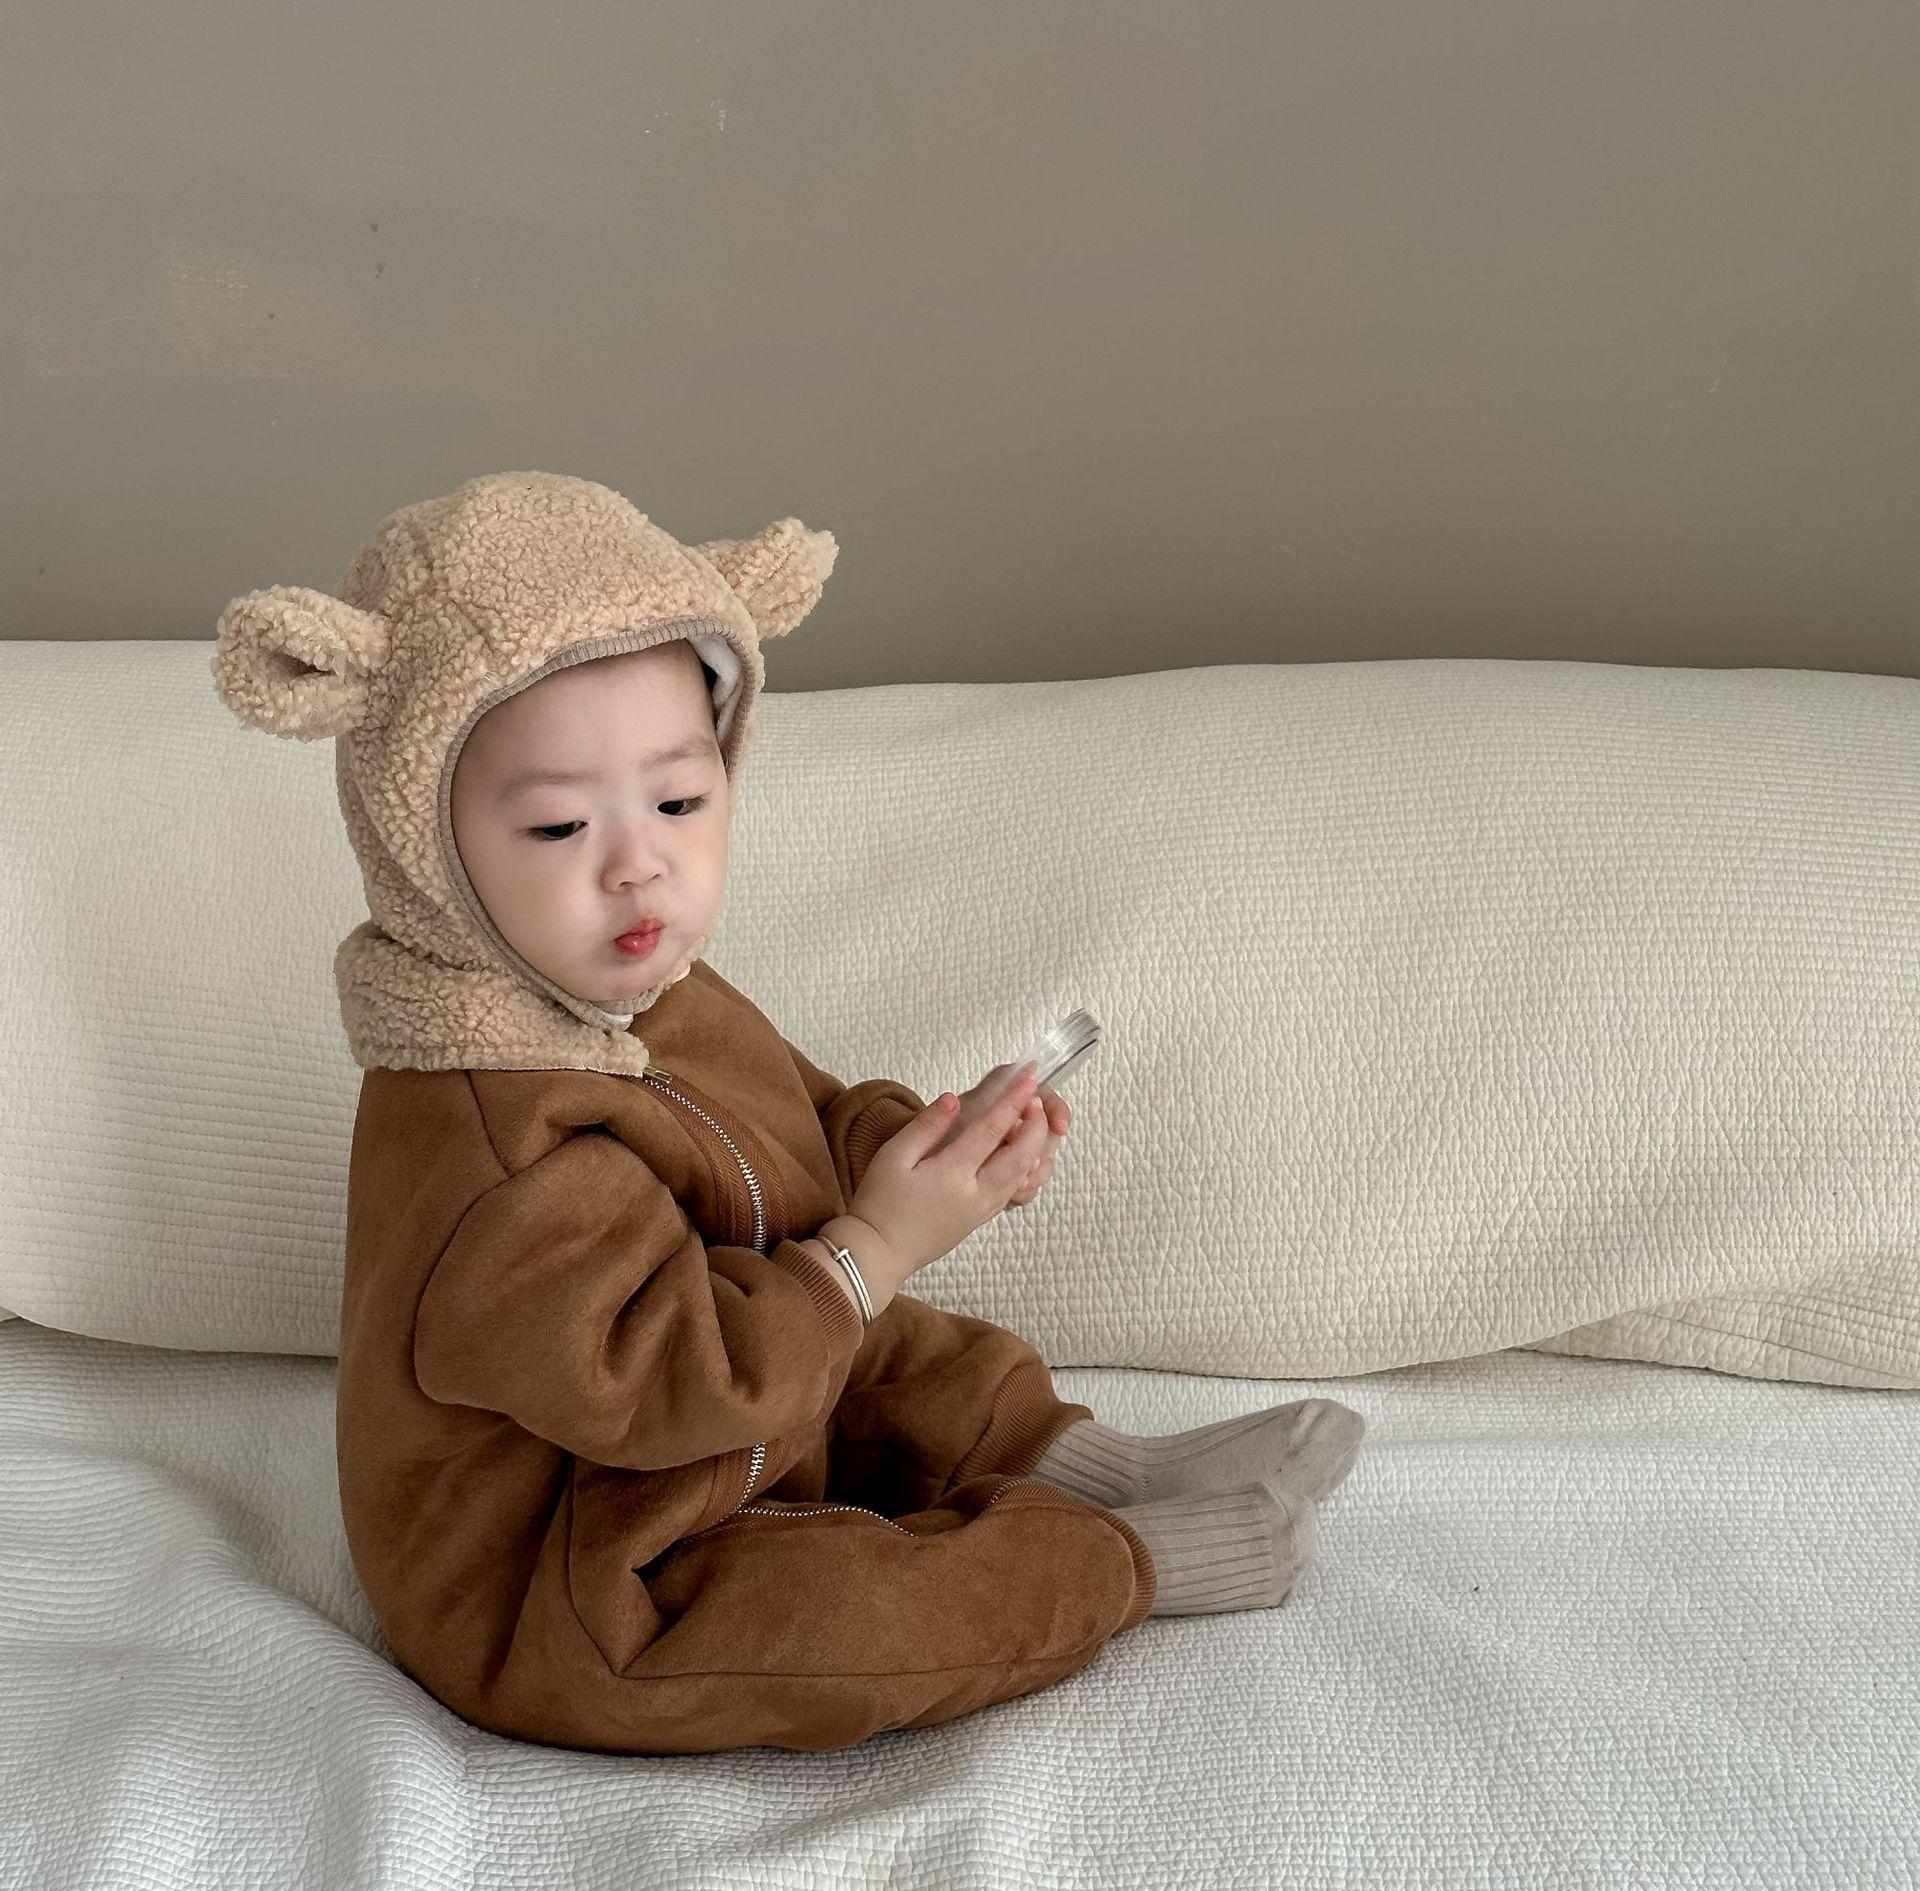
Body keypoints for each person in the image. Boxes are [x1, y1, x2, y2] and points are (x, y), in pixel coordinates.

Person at [210, 470, 1367, 1756]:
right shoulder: (489, 1142)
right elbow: (661, 1386)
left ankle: (1110, 1470)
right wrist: (875, 1246)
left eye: (679, 801)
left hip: (747, 1402)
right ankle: (1126, 1559)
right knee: (833, 1618)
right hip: (584, 1567)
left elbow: (795, 1123)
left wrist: (914, 1149)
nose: (637, 863)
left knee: (900, 1350)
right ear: (424, 845)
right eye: (557, 825)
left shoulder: (651, 989)